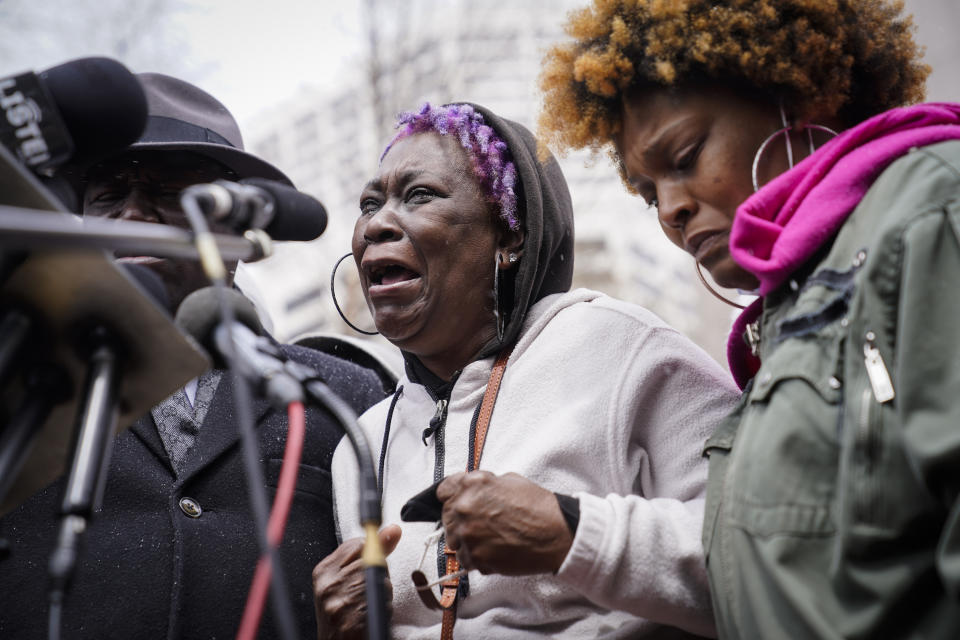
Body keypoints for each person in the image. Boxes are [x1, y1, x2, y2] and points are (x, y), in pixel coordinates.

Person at [538, 1, 960, 637]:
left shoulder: (930, 213)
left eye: (683, 157)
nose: (671, 210)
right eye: (649, 192)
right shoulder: (788, 319)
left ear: (798, 95)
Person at [312, 102, 739, 639]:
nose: (376, 223)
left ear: (509, 234)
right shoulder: (360, 446)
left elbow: (768, 555)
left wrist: (570, 533)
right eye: (369, 204)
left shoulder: (622, 348)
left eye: (419, 195)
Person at [0, 73, 386, 639]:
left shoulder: (343, 395)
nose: (132, 215)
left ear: (236, 222)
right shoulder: (19, 378)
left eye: (169, 192)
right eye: (107, 195)